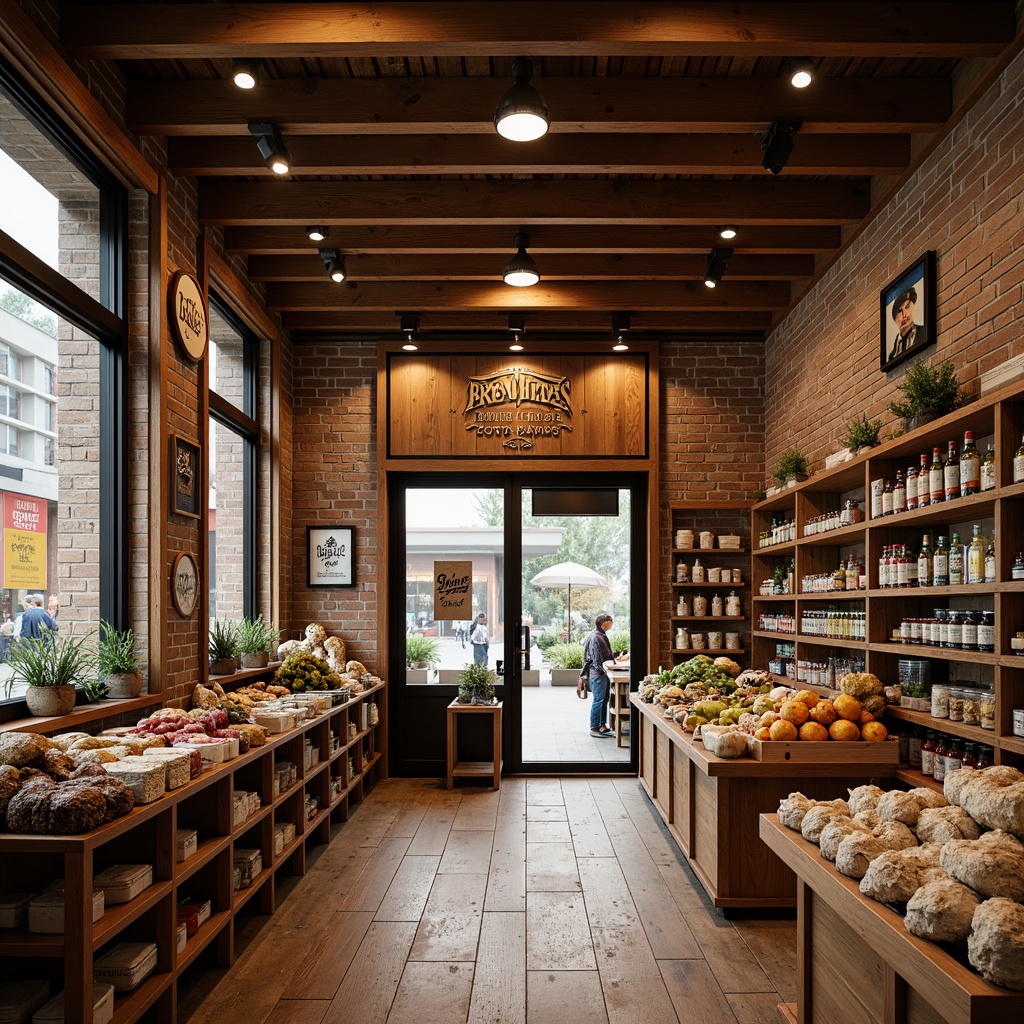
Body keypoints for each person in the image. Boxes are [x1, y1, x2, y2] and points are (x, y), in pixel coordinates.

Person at [580, 613, 616, 736]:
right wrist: (606, 668)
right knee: (599, 700)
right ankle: (594, 727)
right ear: (603, 624)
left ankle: (602, 725)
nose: (611, 625)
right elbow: (595, 659)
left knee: (603, 699)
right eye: (609, 623)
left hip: (600, 672)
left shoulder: (599, 635)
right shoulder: (596, 637)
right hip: (598, 673)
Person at [887, 285, 925, 361]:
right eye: (899, 311)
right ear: (894, 318)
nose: (904, 315)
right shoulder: (892, 355)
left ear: (914, 307)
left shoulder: (924, 331)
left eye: (907, 307)